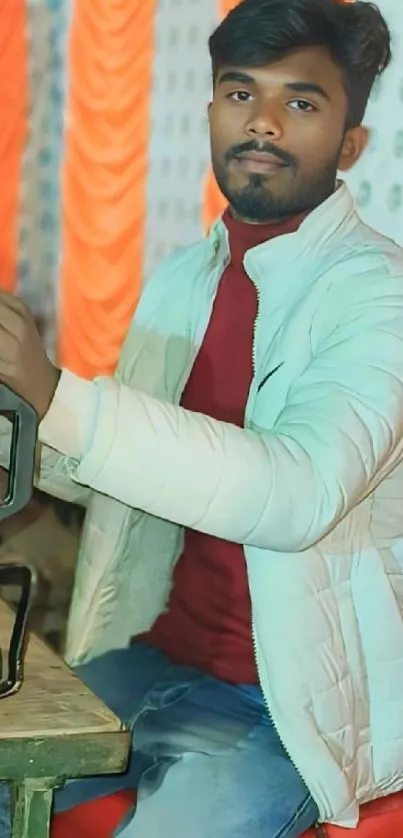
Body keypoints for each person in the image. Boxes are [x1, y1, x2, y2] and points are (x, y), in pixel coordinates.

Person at [0, 0, 400, 835]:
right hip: (149, 657)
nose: (260, 121)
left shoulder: (379, 295)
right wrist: (19, 425)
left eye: (300, 101)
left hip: (286, 710)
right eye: (238, 91)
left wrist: (59, 393)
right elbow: (116, 469)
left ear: (351, 143)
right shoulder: (185, 276)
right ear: (212, 110)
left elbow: (292, 494)